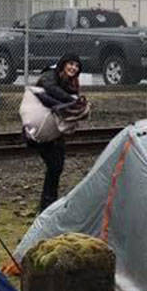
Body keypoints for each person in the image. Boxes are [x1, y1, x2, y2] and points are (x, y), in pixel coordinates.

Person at [29, 54, 87, 211]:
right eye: (71, 64)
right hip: (39, 128)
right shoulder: (50, 76)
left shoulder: (71, 84)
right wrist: (70, 101)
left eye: (77, 66)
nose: (73, 68)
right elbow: (49, 91)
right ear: (63, 64)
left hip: (55, 131)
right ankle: (47, 206)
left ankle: (48, 205)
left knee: (57, 166)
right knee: (54, 166)